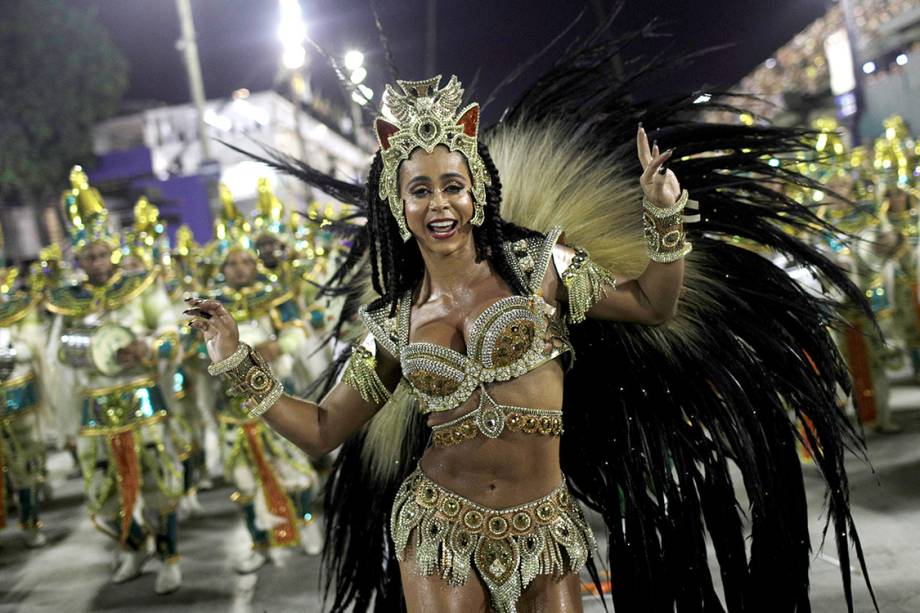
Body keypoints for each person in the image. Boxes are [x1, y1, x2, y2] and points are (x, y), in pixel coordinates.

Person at [188, 59, 874, 612]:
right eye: (419, 190)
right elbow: (320, 428)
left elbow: (652, 305)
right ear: (399, 207)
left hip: (545, 527)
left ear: (478, 192)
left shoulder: (542, 267)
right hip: (437, 527)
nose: (439, 204)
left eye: (452, 185)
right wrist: (234, 360)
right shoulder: (394, 323)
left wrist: (663, 222)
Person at [46, 167, 183, 594]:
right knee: (102, 488)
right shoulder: (69, 301)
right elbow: (59, 354)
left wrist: (147, 347)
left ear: (114, 253)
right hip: (94, 406)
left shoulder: (140, 288)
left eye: (103, 254)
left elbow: (170, 330)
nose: (98, 263)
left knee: (160, 479)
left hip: (142, 399)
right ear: (79, 260)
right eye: (90, 257)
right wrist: (90, 347)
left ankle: (168, 556)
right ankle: (132, 547)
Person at [195, 188, 323, 574]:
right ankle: (260, 543)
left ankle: (306, 526)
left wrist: (279, 345)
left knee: (293, 468)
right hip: (232, 407)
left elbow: (300, 327)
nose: (238, 268)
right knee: (243, 481)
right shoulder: (210, 306)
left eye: (244, 260)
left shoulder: (274, 292)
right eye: (231, 263)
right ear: (222, 267)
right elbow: (194, 346)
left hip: (276, 396)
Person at [0, 256, 50, 548]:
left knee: (23, 462)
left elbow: (31, 347)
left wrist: (7, 347)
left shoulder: (16, 304)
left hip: (15, 395)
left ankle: (30, 522)